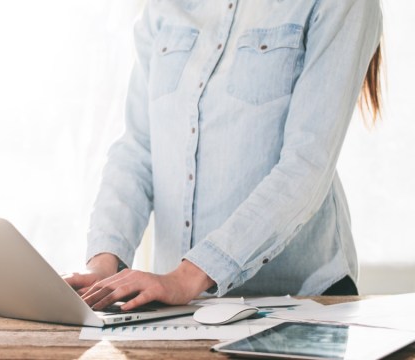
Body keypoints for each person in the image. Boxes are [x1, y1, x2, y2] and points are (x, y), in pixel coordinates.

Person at [64, 0, 383, 311]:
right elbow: (138, 150)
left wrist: (188, 277)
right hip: (180, 308)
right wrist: (102, 267)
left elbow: (307, 165)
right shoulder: (163, 8)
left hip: (301, 302)